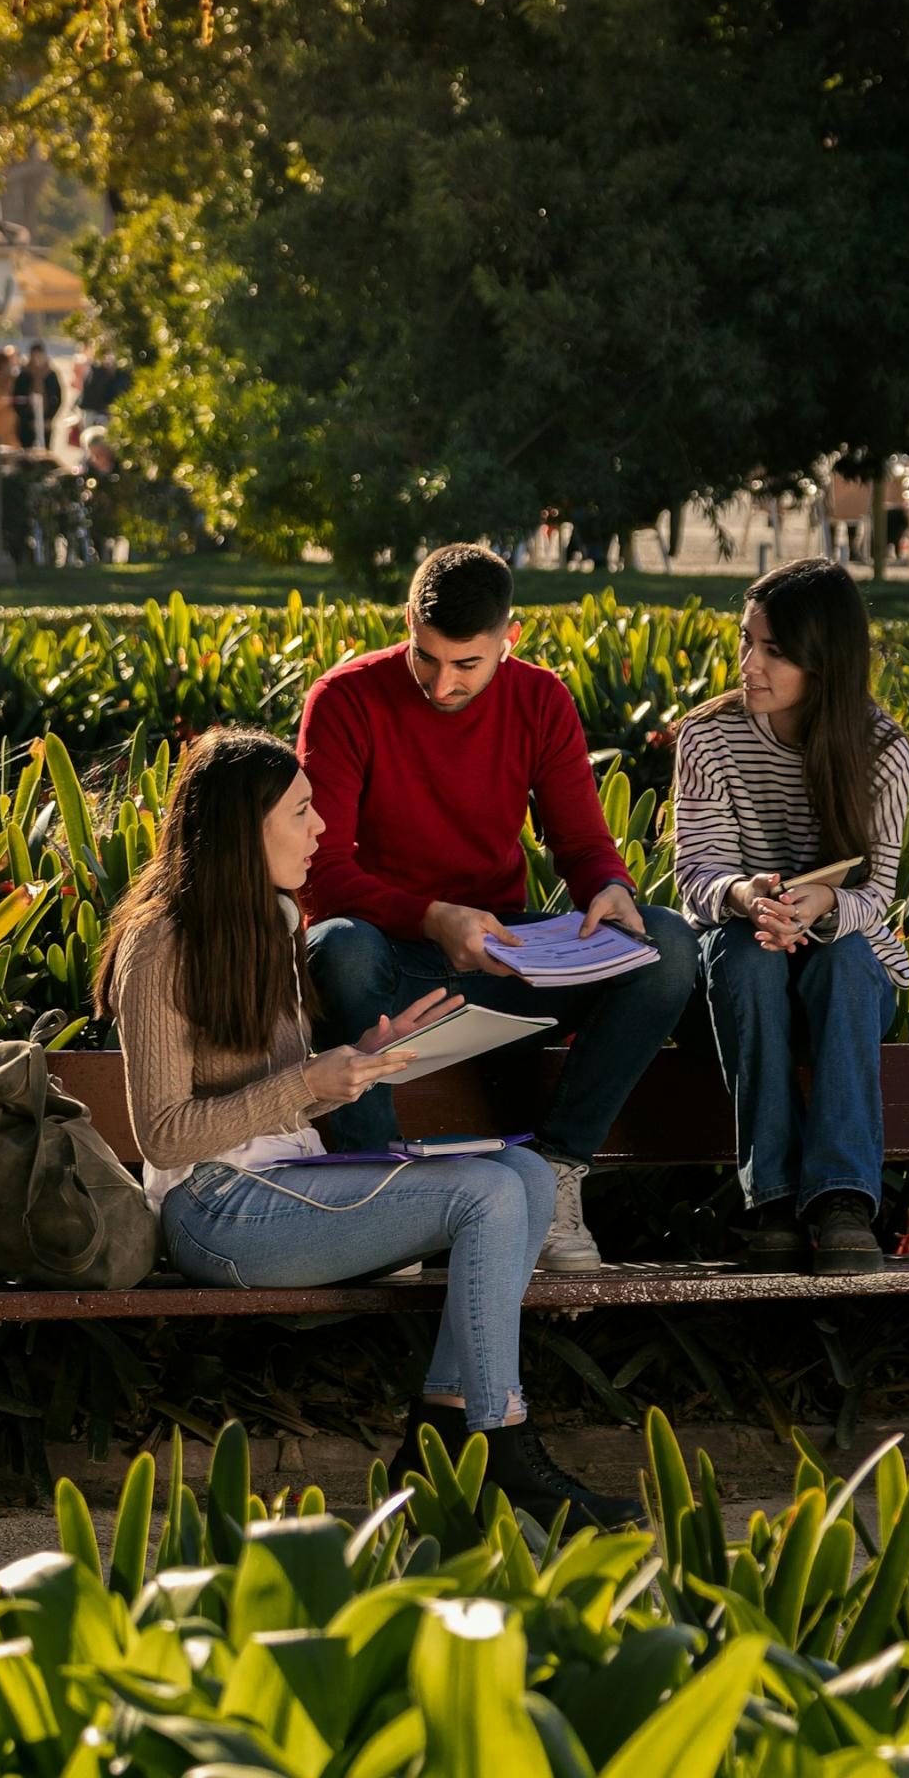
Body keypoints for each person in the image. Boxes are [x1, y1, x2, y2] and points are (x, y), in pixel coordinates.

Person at [97, 725, 640, 1529]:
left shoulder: (275, 920)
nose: (321, 830)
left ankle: (440, 1432)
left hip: (287, 1185)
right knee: (488, 1195)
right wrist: (309, 1079)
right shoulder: (159, 946)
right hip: (211, 1212)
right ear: (245, 827)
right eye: (301, 812)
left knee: (523, 1176)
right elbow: (164, 1137)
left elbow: (288, 1099)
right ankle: (500, 1446)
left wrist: (364, 1060)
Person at [301, 542, 699, 1272]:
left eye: (466, 665)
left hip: (498, 963)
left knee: (668, 945)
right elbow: (318, 875)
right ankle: (379, 1193)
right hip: (387, 967)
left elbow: (581, 845)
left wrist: (607, 886)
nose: (441, 683)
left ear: (508, 641)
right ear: (407, 625)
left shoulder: (539, 697)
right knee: (337, 944)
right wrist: (429, 916)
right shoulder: (346, 697)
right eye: (426, 658)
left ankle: (555, 1172)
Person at [672, 557, 909, 1276]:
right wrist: (750, 898)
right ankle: (771, 1201)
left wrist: (824, 905)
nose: (749, 663)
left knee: (841, 958)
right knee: (744, 953)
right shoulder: (707, 738)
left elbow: (877, 893)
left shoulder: (879, 748)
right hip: (740, 962)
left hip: (844, 969)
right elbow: (696, 879)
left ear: (823, 660)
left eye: (773, 650)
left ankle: (842, 1201)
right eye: (747, 641)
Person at [15, 342, 62, 452]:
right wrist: (27, 420)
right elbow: (18, 399)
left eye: (39, 355)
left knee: (45, 452)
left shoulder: (51, 374)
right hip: (27, 423)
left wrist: (50, 418)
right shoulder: (24, 375)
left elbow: (58, 398)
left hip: (45, 420)